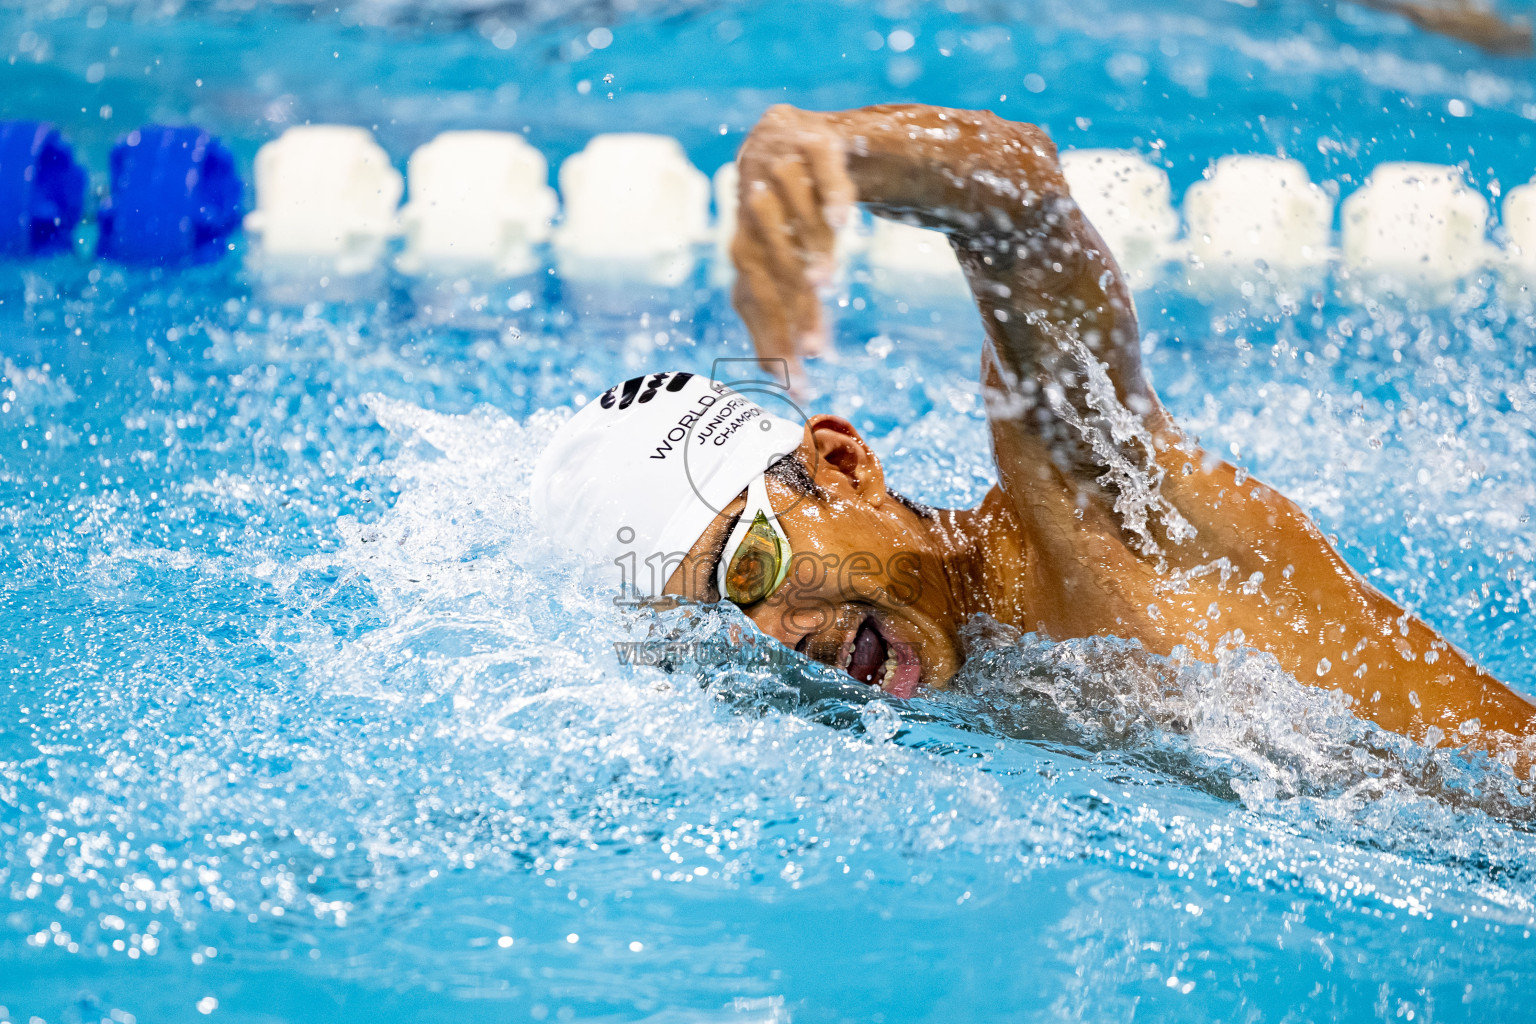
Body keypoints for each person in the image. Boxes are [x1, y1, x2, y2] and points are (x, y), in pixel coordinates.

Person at [533, 103, 1535, 755]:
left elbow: (1020, 200)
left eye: (745, 572)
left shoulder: (1090, 507)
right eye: (721, 630)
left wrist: (823, 149)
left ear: (840, 463)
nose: (772, 641)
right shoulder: (969, 702)